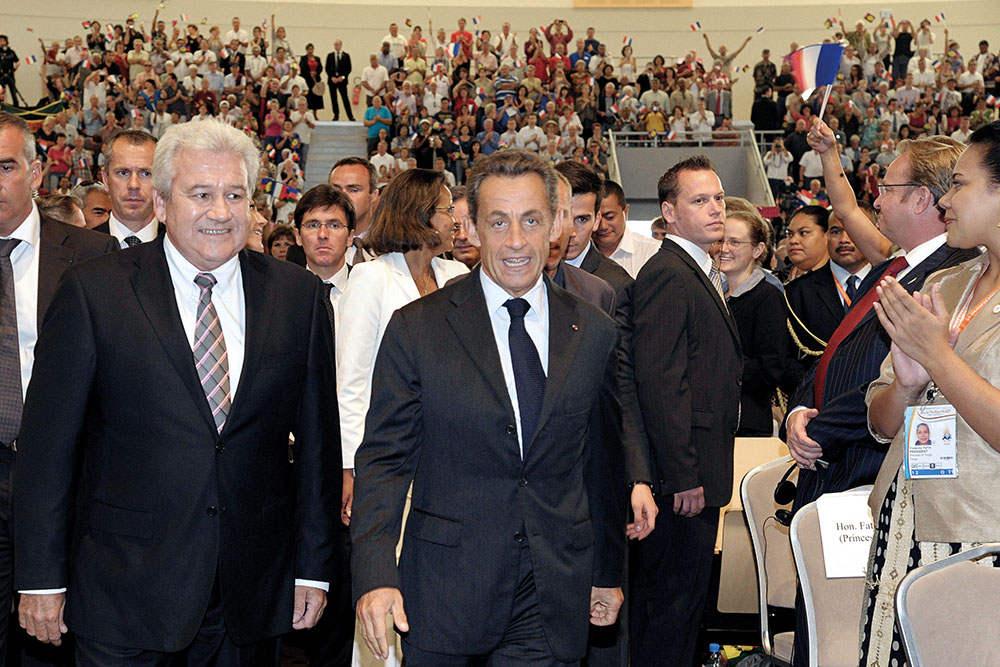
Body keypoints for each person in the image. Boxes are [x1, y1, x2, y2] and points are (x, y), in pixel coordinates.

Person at [14, 119, 340, 662]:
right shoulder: (95, 291)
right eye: (201, 194)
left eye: (234, 195)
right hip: (123, 590)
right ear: (162, 203)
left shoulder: (298, 296)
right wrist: (42, 578)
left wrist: (314, 568)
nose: (220, 212)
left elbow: (317, 447)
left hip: (250, 595)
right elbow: (49, 448)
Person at [351, 150, 624, 665]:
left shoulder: (594, 331)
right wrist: (375, 575)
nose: (516, 240)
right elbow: (384, 463)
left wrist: (607, 572)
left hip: (552, 595)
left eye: (531, 220)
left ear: (556, 226)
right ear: (471, 228)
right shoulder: (417, 328)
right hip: (445, 592)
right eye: (498, 222)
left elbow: (602, 464)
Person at [783, 121, 979, 667]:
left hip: (863, 468)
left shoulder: (947, 278)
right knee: (825, 634)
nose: (876, 200)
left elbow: (886, 381)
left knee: (851, 635)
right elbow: (836, 352)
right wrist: (799, 409)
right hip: (834, 462)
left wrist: (818, 431)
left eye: (887, 189)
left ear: (920, 198)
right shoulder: (898, 267)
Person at [860, 120, 1000, 667]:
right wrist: (907, 385)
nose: (944, 200)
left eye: (959, 184)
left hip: (980, 536)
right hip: (902, 520)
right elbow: (880, 423)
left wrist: (938, 357)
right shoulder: (944, 283)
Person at [0, 112, 116, 665]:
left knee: (58, 639)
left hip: (68, 478)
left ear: (35, 173)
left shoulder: (92, 256)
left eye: (5, 166)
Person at [624, 155, 742, 667]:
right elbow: (659, 382)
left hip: (694, 471)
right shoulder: (669, 274)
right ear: (669, 213)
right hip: (681, 482)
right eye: (700, 200)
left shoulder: (696, 269)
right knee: (669, 611)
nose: (716, 208)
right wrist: (682, 474)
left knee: (683, 607)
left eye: (718, 198)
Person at [336, 169, 468, 543]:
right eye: (447, 210)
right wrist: (350, 466)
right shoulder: (371, 279)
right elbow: (352, 381)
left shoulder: (458, 275)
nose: (455, 222)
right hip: (391, 453)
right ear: (421, 214)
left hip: (453, 454)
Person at [716, 209, 786, 436]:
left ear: (758, 250)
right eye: (721, 241)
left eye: (734, 242)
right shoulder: (713, 293)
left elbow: (770, 370)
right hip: (715, 419)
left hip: (747, 423)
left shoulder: (767, 297)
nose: (724, 249)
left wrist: (714, 364)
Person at [96, 130, 165, 247]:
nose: (133, 185)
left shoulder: (183, 248)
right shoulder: (81, 250)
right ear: (105, 179)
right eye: (123, 173)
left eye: (146, 174)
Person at [592, 181, 660, 279]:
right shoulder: (576, 251)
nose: (603, 226)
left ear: (626, 212)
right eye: (596, 218)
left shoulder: (653, 252)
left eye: (610, 217)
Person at [328, 157, 379, 264]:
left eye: (354, 190)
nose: (343, 197)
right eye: (336, 190)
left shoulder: (393, 244)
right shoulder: (314, 245)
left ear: (373, 195)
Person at [326, 40, 354, 121]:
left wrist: (343, 77)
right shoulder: (330, 56)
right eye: (335, 44)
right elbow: (327, 68)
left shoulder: (346, 56)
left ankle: (350, 116)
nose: (336, 46)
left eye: (337, 44)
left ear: (341, 45)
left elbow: (349, 69)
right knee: (333, 98)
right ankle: (336, 115)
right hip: (332, 81)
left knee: (345, 98)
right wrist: (331, 77)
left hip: (342, 81)